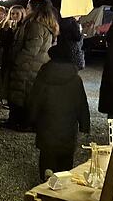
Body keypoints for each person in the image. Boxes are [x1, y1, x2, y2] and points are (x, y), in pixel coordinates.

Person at [28, 43, 91, 182]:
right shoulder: (75, 79)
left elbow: (35, 100)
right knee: (66, 159)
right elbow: (82, 104)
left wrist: (32, 119)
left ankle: (46, 180)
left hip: (47, 125)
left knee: (47, 155)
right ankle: (63, 182)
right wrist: (85, 125)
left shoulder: (44, 75)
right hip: (68, 128)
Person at [5, 0, 59, 130]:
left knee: (22, 95)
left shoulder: (36, 25)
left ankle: (22, 123)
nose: (26, 10)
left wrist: (17, 61)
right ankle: (18, 121)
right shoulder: (43, 24)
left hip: (27, 67)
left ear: (35, 10)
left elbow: (31, 48)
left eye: (28, 7)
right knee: (24, 94)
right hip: (34, 66)